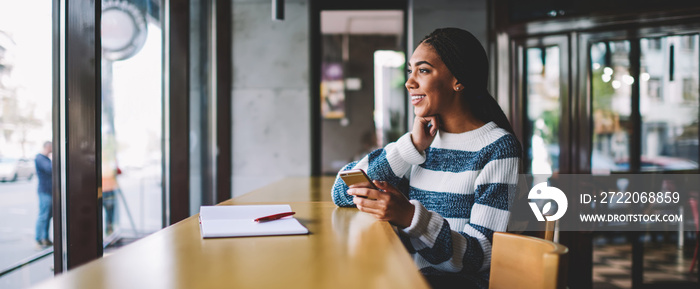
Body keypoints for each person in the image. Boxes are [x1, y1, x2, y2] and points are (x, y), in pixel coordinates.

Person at [331, 28, 521, 289]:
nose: (409, 82)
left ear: (458, 80)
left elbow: (480, 257)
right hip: (404, 275)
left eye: (423, 70)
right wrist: (410, 146)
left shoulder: (498, 147)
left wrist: (410, 218)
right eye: (410, 71)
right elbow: (342, 192)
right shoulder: (421, 141)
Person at [34, 141, 53, 249]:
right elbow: (50, 169)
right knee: (43, 215)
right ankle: (38, 239)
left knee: (48, 216)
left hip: (49, 191)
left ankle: (45, 238)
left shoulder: (46, 158)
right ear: (48, 147)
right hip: (44, 191)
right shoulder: (40, 158)